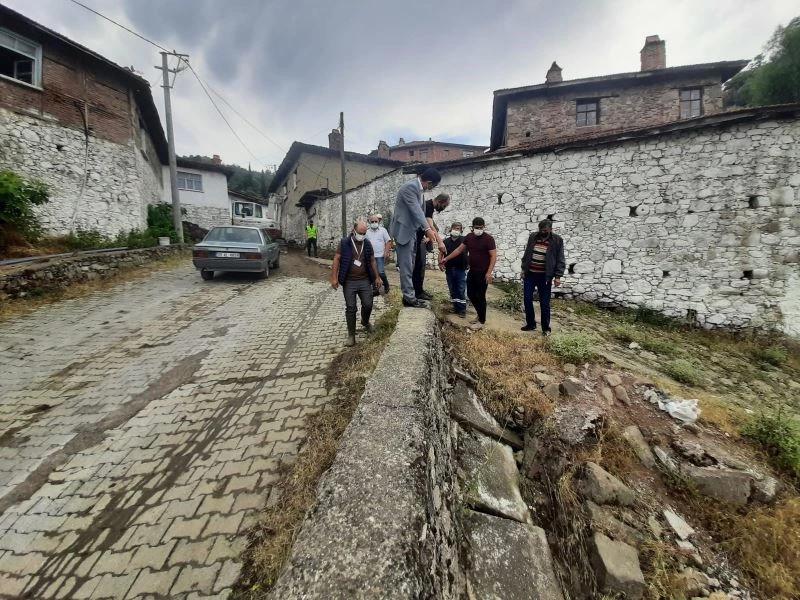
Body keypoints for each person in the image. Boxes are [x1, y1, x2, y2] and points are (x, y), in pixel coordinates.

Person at [389, 168, 445, 308]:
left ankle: (410, 296)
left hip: (411, 233)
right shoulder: (410, 187)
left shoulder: (419, 190)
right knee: (407, 267)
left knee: (412, 266)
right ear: (430, 182)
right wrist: (427, 229)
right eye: (434, 186)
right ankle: (409, 298)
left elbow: (420, 213)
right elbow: (416, 211)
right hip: (403, 232)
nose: (432, 188)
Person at [331, 220, 382, 346]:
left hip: (364, 280)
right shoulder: (345, 243)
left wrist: (377, 277)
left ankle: (365, 322)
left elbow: (372, 260)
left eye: (364, 233)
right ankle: (351, 336)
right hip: (349, 281)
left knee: (368, 304)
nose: (362, 235)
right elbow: (337, 258)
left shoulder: (367, 243)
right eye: (360, 233)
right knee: (351, 308)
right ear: (354, 231)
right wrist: (334, 278)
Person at [439, 217, 496, 329]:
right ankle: (479, 315)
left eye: (481, 228)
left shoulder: (489, 239)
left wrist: (489, 272)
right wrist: (446, 259)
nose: (479, 229)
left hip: (483, 272)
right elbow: (459, 250)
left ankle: (482, 321)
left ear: (484, 227)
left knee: (480, 296)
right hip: (472, 271)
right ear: (472, 227)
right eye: (476, 228)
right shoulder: (469, 237)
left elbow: (493, 256)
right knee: (470, 294)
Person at [520, 219, 566, 336]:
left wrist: (558, 276)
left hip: (545, 277)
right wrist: (523, 269)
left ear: (550, 229)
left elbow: (560, 259)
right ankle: (531, 324)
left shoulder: (557, 240)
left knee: (544, 303)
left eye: (545, 230)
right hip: (530, 274)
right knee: (527, 299)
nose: (542, 232)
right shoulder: (533, 237)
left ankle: (546, 328)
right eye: (541, 230)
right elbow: (527, 253)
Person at [413, 193, 450, 301]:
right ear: (440, 202)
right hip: (413, 240)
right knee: (416, 267)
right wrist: (440, 242)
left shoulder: (429, 207)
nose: (443, 208)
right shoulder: (428, 205)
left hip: (418, 240)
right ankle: (416, 293)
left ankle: (419, 291)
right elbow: (430, 226)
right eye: (444, 206)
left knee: (419, 267)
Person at [442, 221, 468, 318]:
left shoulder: (464, 240)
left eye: (458, 229)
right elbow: (441, 253)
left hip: (460, 269)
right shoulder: (446, 241)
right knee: (452, 288)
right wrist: (440, 263)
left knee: (461, 288)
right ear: (451, 229)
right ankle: (455, 307)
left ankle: (462, 309)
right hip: (449, 269)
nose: (456, 230)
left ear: (461, 230)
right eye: (455, 228)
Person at [366, 213, 392, 293]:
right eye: (372, 221)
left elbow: (388, 241)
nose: (374, 223)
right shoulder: (367, 232)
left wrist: (386, 252)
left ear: (378, 221)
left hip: (380, 255)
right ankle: (375, 289)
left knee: (380, 272)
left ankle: (386, 284)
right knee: (373, 273)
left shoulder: (383, 230)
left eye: (375, 221)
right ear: (369, 222)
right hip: (371, 256)